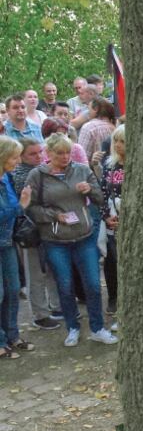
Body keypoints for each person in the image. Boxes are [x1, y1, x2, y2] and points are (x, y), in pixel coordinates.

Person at [26, 134, 117, 347]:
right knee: (65, 286)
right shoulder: (37, 175)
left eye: (68, 152)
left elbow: (101, 198)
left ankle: (97, 328)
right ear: (48, 154)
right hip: (55, 239)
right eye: (59, 153)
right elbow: (30, 207)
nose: (65, 156)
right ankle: (73, 327)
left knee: (93, 285)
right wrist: (54, 216)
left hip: (84, 236)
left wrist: (90, 190)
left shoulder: (81, 170)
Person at [11, 139, 60, 329]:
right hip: (30, 230)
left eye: (40, 152)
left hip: (49, 227)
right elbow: (28, 205)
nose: (39, 156)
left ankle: (56, 306)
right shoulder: (20, 176)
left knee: (51, 268)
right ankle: (39, 314)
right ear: (22, 156)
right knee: (35, 272)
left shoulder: (44, 171)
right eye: (33, 154)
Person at [0, 137, 34, 359]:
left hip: (8, 242)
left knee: (13, 291)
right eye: (14, 157)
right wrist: (21, 206)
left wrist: (21, 206)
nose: (17, 160)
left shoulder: (7, 179)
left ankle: (13, 335)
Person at [98, 125, 126, 315]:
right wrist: (107, 216)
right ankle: (114, 299)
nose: (117, 145)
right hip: (112, 222)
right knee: (111, 262)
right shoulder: (110, 164)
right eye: (115, 140)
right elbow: (103, 193)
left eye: (122, 141)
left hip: (131, 221)